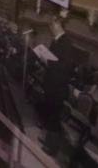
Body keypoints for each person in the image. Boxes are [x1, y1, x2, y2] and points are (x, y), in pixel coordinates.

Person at [40, 15, 76, 156]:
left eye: (52, 23)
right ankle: (47, 142)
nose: (50, 26)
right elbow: (53, 61)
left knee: (54, 118)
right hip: (51, 84)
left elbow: (65, 67)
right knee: (50, 114)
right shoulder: (56, 41)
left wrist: (48, 61)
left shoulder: (66, 43)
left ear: (59, 24)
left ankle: (52, 149)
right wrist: (45, 60)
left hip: (58, 87)